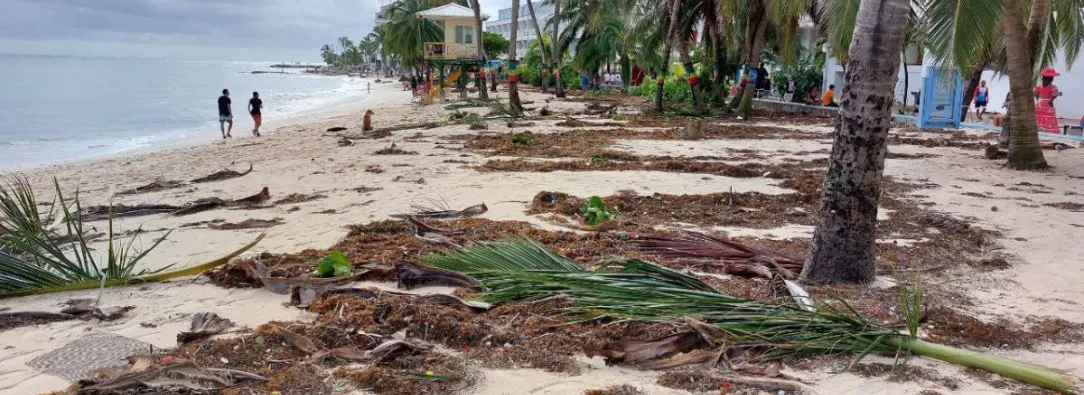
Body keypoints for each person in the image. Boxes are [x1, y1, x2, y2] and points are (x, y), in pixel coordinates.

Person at [1034, 68, 1062, 134]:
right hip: (1047, 105)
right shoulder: (1052, 87)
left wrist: (1039, 100)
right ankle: (1046, 132)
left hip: (1040, 105)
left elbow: (1035, 93)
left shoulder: (1039, 87)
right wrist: (1050, 101)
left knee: (1040, 117)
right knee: (1047, 118)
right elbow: (1055, 94)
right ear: (1051, 79)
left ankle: (1040, 131)